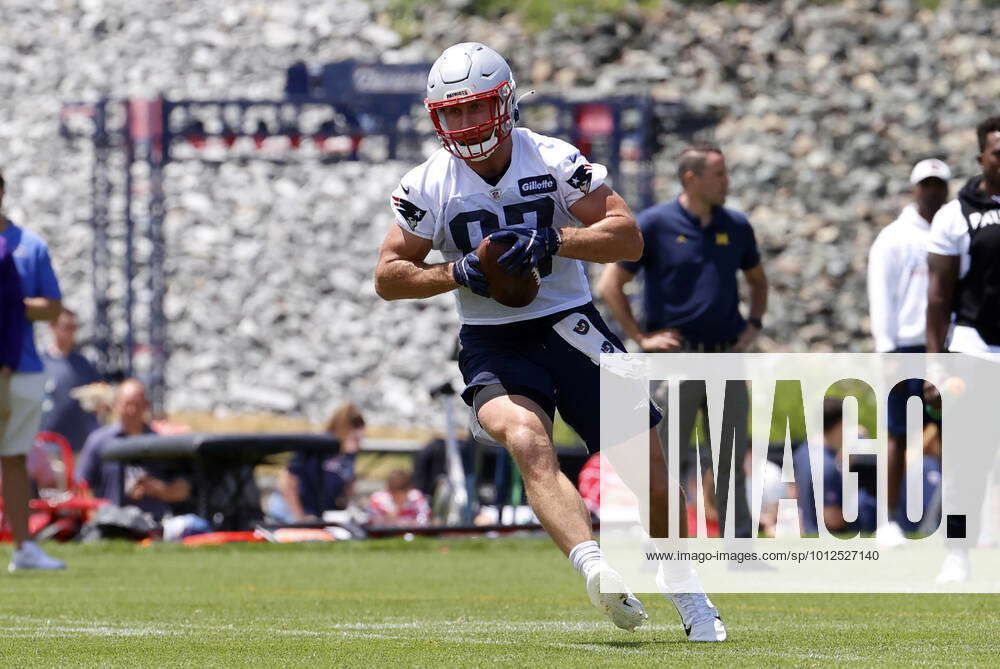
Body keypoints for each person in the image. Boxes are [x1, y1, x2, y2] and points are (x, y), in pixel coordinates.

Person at [374, 43, 725, 641]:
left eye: (475, 108)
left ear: (505, 103)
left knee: (649, 470)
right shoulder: (428, 182)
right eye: (451, 113)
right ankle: (596, 569)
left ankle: (688, 593)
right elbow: (388, 275)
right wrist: (455, 272)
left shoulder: (553, 158)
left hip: (572, 323)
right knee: (526, 438)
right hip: (493, 338)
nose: (464, 125)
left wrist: (553, 239)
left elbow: (627, 238)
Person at [598, 143, 768, 543]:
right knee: (668, 459)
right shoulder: (655, 224)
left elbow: (758, 282)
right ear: (691, 178)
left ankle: (739, 550)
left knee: (728, 459)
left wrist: (754, 324)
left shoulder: (736, 226)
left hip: (726, 357)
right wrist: (640, 337)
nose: (727, 182)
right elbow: (611, 285)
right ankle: (667, 550)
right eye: (719, 174)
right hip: (675, 359)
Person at [926, 115, 1000, 582]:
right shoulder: (956, 214)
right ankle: (957, 552)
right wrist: (934, 362)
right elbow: (938, 295)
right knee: (966, 461)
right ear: (982, 158)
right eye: (999, 152)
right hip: (975, 350)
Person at [867, 158, 951, 547]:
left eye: (939, 184)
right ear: (916, 188)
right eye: (926, 184)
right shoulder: (895, 236)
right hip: (906, 345)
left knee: (957, 434)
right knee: (898, 433)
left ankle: (956, 518)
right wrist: (886, 348)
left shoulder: (952, 230)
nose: (932, 191)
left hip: (948, 346)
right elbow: (881, 293)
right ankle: (889, 520)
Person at [1, 172, 66, 572]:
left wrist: (9, 303)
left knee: (13, 456)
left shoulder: (29, 247)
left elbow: (54, 308)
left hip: (21, 367)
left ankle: (23, 547)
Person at [76, 379, 190, 522]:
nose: (132, 411)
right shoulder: (99, 441)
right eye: (127, 405)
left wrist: (158, 489)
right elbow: (83, 485)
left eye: (137, 405)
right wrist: (94, 518)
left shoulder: (160, 443)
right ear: (116, 406)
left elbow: (183, 490)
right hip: (111, 522)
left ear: (146, 406)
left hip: (153, 523)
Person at [792, 398, 878, 536]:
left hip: (810, 531)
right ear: (841, 424)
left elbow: (794, 493)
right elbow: (833, 520)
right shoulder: (827, 466)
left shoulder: (802, 452)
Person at [271, 402, 364, 523]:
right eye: (355, 439)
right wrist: (301, 516)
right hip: (291, 509)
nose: (359, 445)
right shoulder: (315, 446)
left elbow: (346, 489)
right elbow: (287, 483)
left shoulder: (349, 455)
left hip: (318, 512)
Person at [40, 309, 102, 452]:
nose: (71, 332)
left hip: (80, 445)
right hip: (48, 444)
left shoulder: (84, 364)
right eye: (66, 327)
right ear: (53, 327)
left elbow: (98, 400)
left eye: (74, 327)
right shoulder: (41, 363)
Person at [367, 469, 431, 527]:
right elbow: (373, 523)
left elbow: (425, 519)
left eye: (400, 493)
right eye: (394, 492)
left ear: (409, 489)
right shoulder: (378, 499)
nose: (397, 497)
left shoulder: (416, 497)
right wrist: (389, 517)